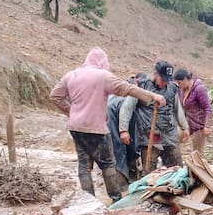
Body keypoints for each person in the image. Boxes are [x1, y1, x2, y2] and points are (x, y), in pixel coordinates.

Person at [49, 48, 165, 202]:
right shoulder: (103, 76)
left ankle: (88, 201)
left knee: (84, 166)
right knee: (108, 164)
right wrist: (152, 95)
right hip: (97, 129)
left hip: (76, 127)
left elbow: (55, 96)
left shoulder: (71, 75)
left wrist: (72, 112)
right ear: (103, 62)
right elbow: (126, 88)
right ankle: (116, 198)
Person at [119, 60, 189, 172]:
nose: (165, 83)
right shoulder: (142, 87)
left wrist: (185, 127)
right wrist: (124, 130)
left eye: (167, 80)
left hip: (169, 134)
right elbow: (127, 108)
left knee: (177, 170)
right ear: (155, 74)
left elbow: (177, 109)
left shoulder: (172, 88)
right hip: (149, 136)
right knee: (148, 172)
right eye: (163, 80)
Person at [105, 73, 147, 188]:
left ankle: (124, 177)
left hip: (109, 114)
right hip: (112, 115)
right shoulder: (133, 97)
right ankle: (122, 180)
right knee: (119, 146)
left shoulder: (123, 88)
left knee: (119, 146)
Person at [173, 68, 213, 157]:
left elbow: (208, 108)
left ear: (185, 79)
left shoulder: (199, 89)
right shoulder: (182, 90)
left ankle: (197, 165)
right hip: (188, 121)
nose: (179, 85)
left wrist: (207, 125)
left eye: (179, 83)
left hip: (199, 125)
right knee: (174, 138)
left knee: (197, 153)